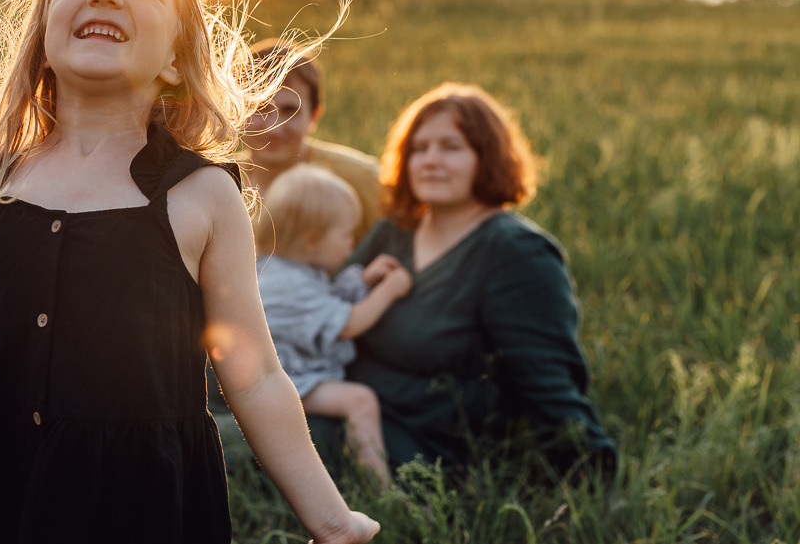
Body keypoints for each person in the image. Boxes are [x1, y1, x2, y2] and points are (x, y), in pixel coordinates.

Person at [0, 0, 379, 544]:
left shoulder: (200, 194)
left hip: (135, 499)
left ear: (176, 62)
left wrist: (332, 518)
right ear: (43, 38)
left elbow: (256, 375)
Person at [344, 82, 616, 475]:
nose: (430, 161)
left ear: (486, 158)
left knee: (232, 449)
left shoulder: (517, 252)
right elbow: (327, 309)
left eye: (451, 147)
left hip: (422, 442)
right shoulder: (395, 230)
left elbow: (547, 382)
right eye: (419, 149)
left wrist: (592, 475)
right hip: (335, 397)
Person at [253, 164, 413, 487]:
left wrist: (364, 278)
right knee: (360, 400)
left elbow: (326, 302)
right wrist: (388, 291)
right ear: (312, 241)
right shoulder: (285, 285)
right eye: (346, 234)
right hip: (283, 381)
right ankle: (382, 490)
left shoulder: (292, 268)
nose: (352, 243)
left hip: (294, 370)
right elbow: (349, 323)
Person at [239, 39, 380, 243]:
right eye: (259, 109)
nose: (274, 128)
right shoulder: (218, 182)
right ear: (236, 112)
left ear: (314, 116)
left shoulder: (360, 178)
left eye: (290, 111)